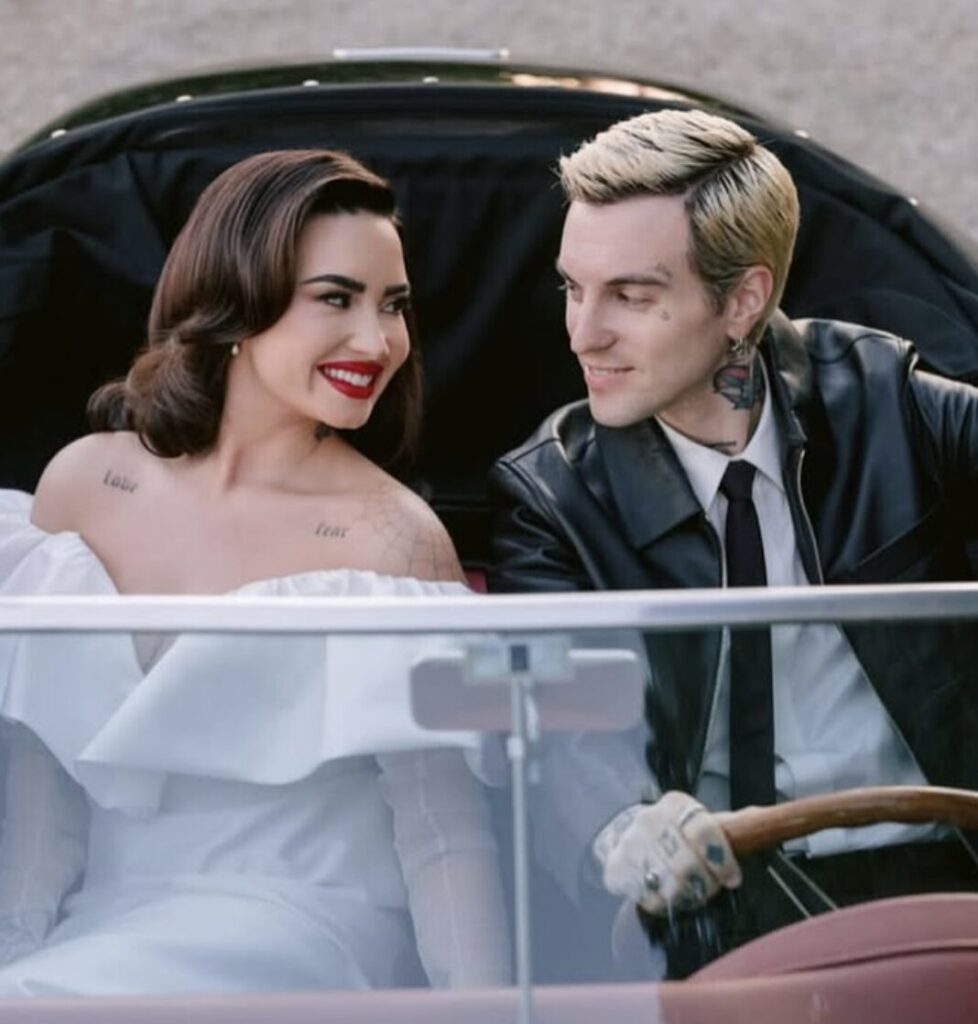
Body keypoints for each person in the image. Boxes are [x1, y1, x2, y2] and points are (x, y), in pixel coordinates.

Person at [0, 149, 511, 995]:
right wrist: (15, 951)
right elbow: (42, 780)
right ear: (234, 301)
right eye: (336, 298)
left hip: (306, 923)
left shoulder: (392, 537)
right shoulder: (85, 484)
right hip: (102, 925)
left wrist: (486, 1012)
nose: (378, 341)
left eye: (393, 305)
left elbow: (442, 827)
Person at [487, 107, 978, 977]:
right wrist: (624, 831)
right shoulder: (552, 496)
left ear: (743, 301)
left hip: (951, 872)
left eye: (633, 296)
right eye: (573, 288)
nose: (583, 332)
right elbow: (561, 731)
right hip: (712, 905)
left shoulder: (886, 399)